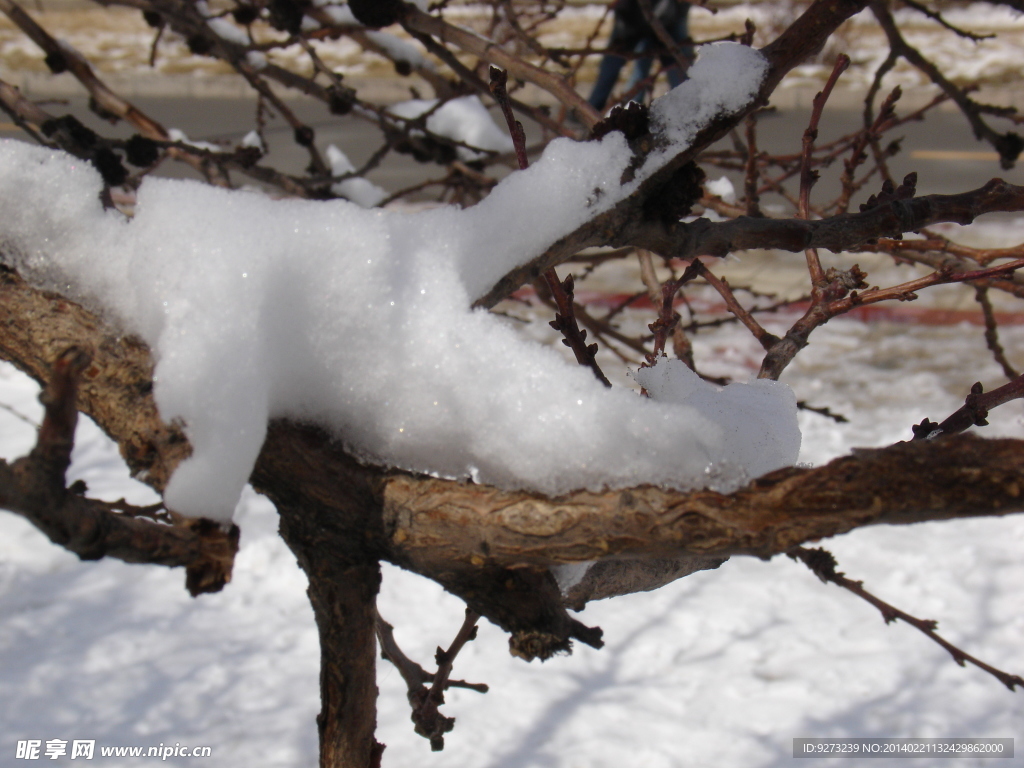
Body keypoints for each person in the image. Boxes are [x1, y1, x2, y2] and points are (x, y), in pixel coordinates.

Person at [587, 0, 693, 113]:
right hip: (631, 16)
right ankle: (593, 109)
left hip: (670, 17)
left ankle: (689, 111)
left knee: (678, 68)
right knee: (614, 64)